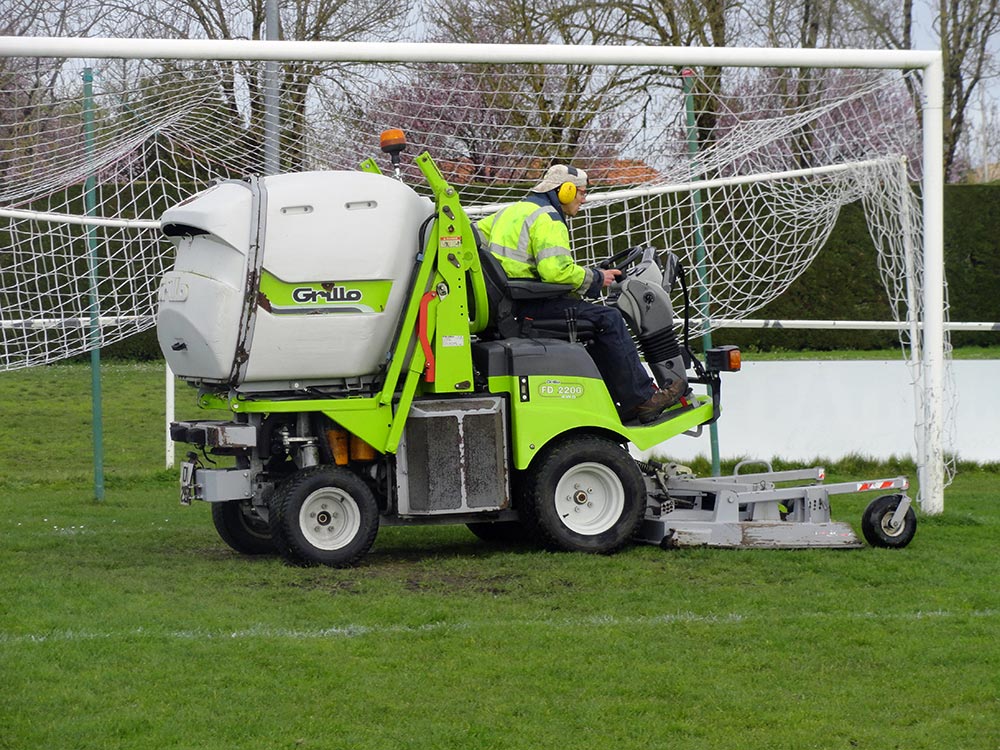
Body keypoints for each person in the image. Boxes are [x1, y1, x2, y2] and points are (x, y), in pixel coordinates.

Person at [476, 164, 684, 423]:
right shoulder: (548, 219)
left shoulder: (510, 212)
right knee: (609, 320)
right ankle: (641, 399)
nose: (583, 200)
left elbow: (477, 241)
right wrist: (597, 277)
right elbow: (555, 271)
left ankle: (617, 400)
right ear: (564, 191)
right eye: (581, 193)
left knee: (591, 315)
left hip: (509, 306)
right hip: (524, 309)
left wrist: (592, 275)